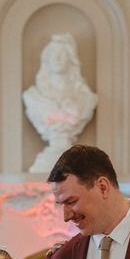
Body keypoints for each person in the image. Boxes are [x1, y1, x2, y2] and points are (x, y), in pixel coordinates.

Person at [23, 33, 98, 173]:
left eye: (62, 54)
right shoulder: (33, 96)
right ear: (46, 59)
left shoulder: (86, 98)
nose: (57, 59)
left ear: (71, 59)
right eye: (53, 54)